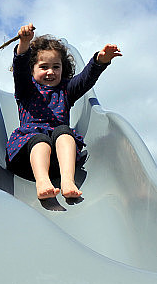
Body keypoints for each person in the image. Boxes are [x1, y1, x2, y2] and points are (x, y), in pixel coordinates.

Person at [6, 23, 122, 200]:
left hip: (58, 160)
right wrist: (24, 44)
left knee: (64, 132)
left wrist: (101, 60)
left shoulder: (65, 90)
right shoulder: (26, 89)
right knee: (40, 140)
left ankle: (67, 180)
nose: (50, 72)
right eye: (44, 67)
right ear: (32, 69)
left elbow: (86, 79)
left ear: (63, 68)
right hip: (26, 155)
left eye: (56, 67)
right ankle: (42, 182)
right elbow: (20, 67)